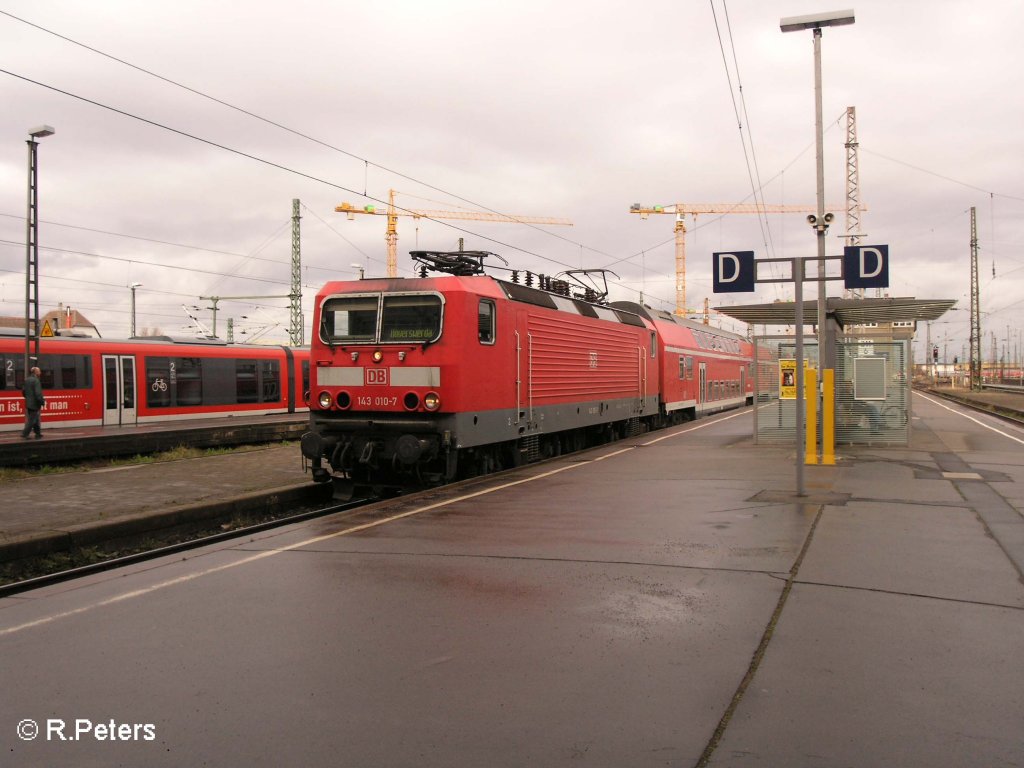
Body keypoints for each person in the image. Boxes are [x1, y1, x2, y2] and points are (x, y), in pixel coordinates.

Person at [21, 366, 44, 439]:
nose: (40, 373)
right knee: (32, 420)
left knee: (35, 418)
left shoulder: (27, 380)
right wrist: (42, 401)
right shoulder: (36, 381)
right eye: (39, 371)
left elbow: (23, 391)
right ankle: (25, 434)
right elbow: (38, 394)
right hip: (34, 403)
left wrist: (28, 398)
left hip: (28, 403)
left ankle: (38, 433)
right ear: (36, 372)